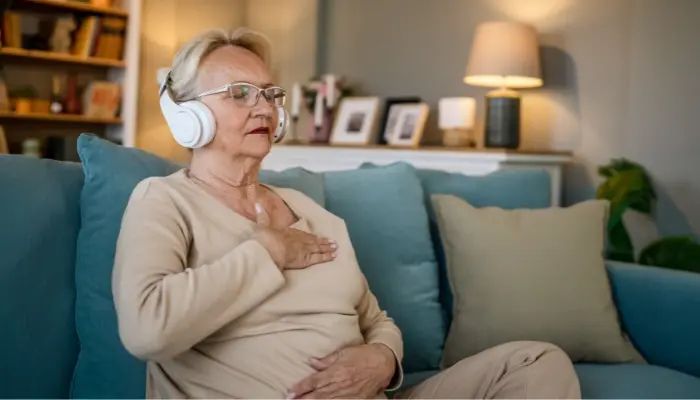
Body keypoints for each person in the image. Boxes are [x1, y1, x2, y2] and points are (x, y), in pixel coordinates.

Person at [112, 27, 581, 399]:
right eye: (239, 93)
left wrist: (383, 360)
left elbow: (375, 319)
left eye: (270, 94)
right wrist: (267, 251)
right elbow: (147, 330)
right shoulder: (163, 200)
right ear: (186, 115)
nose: (265, 108)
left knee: (536, 364)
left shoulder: (314, 214)